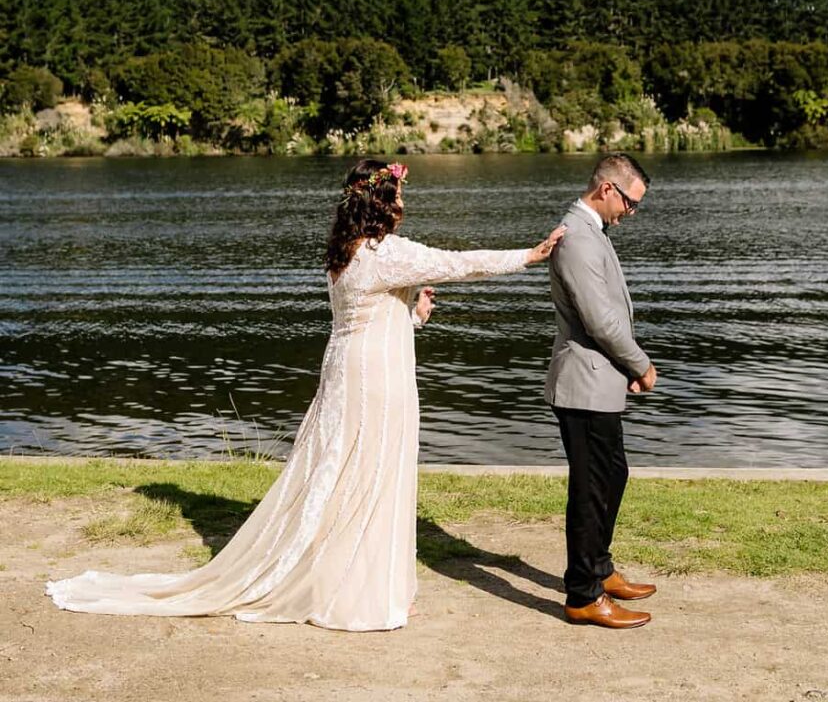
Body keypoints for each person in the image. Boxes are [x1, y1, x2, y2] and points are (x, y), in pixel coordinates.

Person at [47, 159, 564, 631]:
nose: (405, 205)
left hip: (346, 371)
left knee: (339, 473)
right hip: (378, 380)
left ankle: (337, 576)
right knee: (372, 474)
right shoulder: (389, 253)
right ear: (382, 202)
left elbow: (371, 317)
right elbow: (458, 263)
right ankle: (357, 591)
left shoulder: (344, 253)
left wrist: (414, 313)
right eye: (400, 195)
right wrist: (529, 256)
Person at [544, 152, 657, 629]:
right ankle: (583, 595)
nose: (631, 213)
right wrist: (640, 363)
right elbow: (600, 320)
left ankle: (599, 568)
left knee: (612, 476)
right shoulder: (578, 239)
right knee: (591, 489)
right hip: (583, 384)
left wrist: (622, 366)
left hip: (598, 380)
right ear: (606, 189)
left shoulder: (593, 233)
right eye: (630, 203)